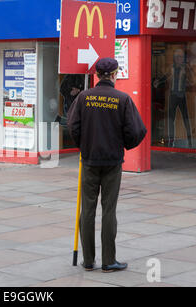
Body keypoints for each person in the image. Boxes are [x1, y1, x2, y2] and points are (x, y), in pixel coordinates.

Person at [67, 58, 147, 273]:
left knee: (88, 210)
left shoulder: (84, 97)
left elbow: (72, 125)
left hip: (89, 160)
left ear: (97, 74)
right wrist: (124, 145)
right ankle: (109, 261)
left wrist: (84, 146)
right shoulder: (122, 99)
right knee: (109, 210)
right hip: (112, 161)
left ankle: (89, 260)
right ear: (113, 74)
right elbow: (137, 131)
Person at [153, 48, 193, 148]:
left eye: (180, 57)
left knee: (186, 119)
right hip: (173, 96)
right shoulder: (171, 68)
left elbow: (192, 80)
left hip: (182, 96)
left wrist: (188, 83)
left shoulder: (186, 68)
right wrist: (158, 82)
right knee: (171, 120)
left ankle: (190, 141)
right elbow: (165, 77)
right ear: (175, 58)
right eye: (177, 57)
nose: (179, 59)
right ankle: (171, 142)